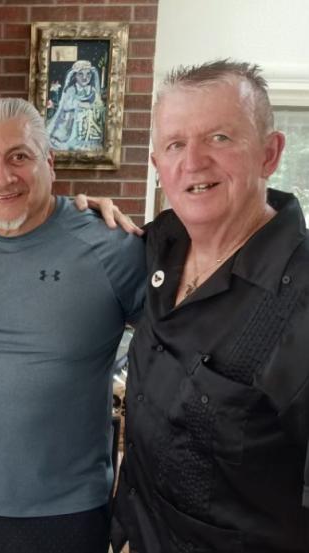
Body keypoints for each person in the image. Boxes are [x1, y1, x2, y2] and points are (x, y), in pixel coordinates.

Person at [0, 97, 147, 553]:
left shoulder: (112, 247)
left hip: (64, 516)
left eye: (19, 157)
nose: (2, 178)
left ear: (49, 161)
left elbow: (178, 348)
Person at [110, 60, 309, 552]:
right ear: (157, 164)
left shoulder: (301, 300)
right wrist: (74, 211)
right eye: (176, 144)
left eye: (219, 138)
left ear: (269, 153)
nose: (193, 161)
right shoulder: (159, 244)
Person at [47, 60, 105, 151]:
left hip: (87, 121)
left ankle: (88, 139)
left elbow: (99, 104)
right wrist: (80, 104)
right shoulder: (71, 89)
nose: (85, 78)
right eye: (81, 74)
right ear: (75, 76)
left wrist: (95, 105)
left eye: (88, 74)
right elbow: (66, 105)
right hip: (71, 121)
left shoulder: (92, 90)